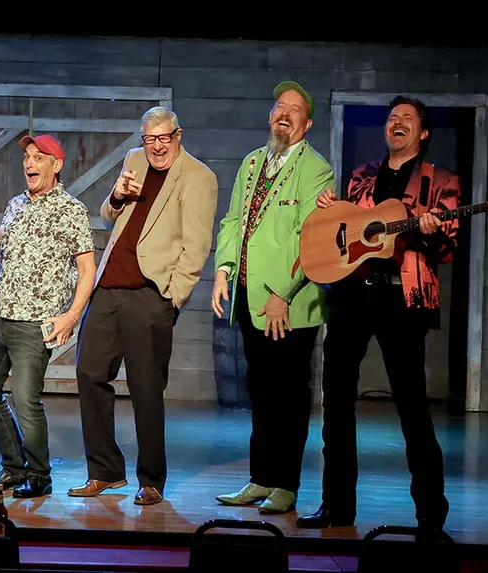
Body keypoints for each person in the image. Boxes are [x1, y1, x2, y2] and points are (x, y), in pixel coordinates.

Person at [297, 95, 457, 534]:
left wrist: (428, 234)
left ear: (422, 133)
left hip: (402, 300)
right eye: (392, 118)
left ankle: (430, 514)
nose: (397, 123)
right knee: (337, 406)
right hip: (353, 297)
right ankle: (336, 507)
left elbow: (448, 249)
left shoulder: (440, 182)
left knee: (412, 409)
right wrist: (333, 216)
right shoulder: (362, 176)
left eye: (407, 118)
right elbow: (346, 238)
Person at [70, 106, 218, 506]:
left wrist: (172, 297)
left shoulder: (199, 177)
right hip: (109, 286)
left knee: (146, 388)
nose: (155, 147)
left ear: (178, 135)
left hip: (150, 293)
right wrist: (117, 196)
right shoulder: (134, 160)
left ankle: (151, 479)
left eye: (163, 138)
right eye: (149, 139)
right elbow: (107, 217)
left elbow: (197, 244)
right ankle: (105, 470)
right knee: (88, 372)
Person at [212, 81, 333, 514]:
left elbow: (315, 242)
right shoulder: (251, 163)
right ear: (270, 116)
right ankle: (261, 478)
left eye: (295, 109)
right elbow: (232, 221)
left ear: (307, 123)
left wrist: (284, 294)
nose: (285, 113)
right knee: (260, 392)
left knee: (288, 396)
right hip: (249, 298)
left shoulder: (315, 169)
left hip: (290, 307)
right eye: (279, 106)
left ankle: (286, 484)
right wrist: (223, 270)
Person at [0, 134, 96, 498]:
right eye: (27, 157)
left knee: (26, 398)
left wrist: (71, 316)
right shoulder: (14, 205)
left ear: (55, 166)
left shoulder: (71, 210)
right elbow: (0, 262)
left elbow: (87, 269)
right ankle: (13, 467)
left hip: (35, 322)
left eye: (39, 157)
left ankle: (39, 475)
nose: (29, 163)